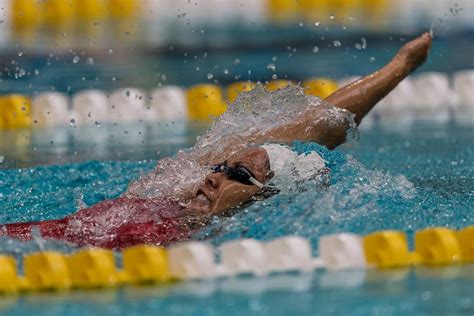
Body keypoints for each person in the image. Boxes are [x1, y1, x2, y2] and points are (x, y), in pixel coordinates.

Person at [0, 33, 432, 249]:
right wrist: (400, 65)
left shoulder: (197, 242)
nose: (214, 177)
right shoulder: (174, 193)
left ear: (264, 199)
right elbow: (320, 124)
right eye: (221, 167)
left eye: (237, 174)